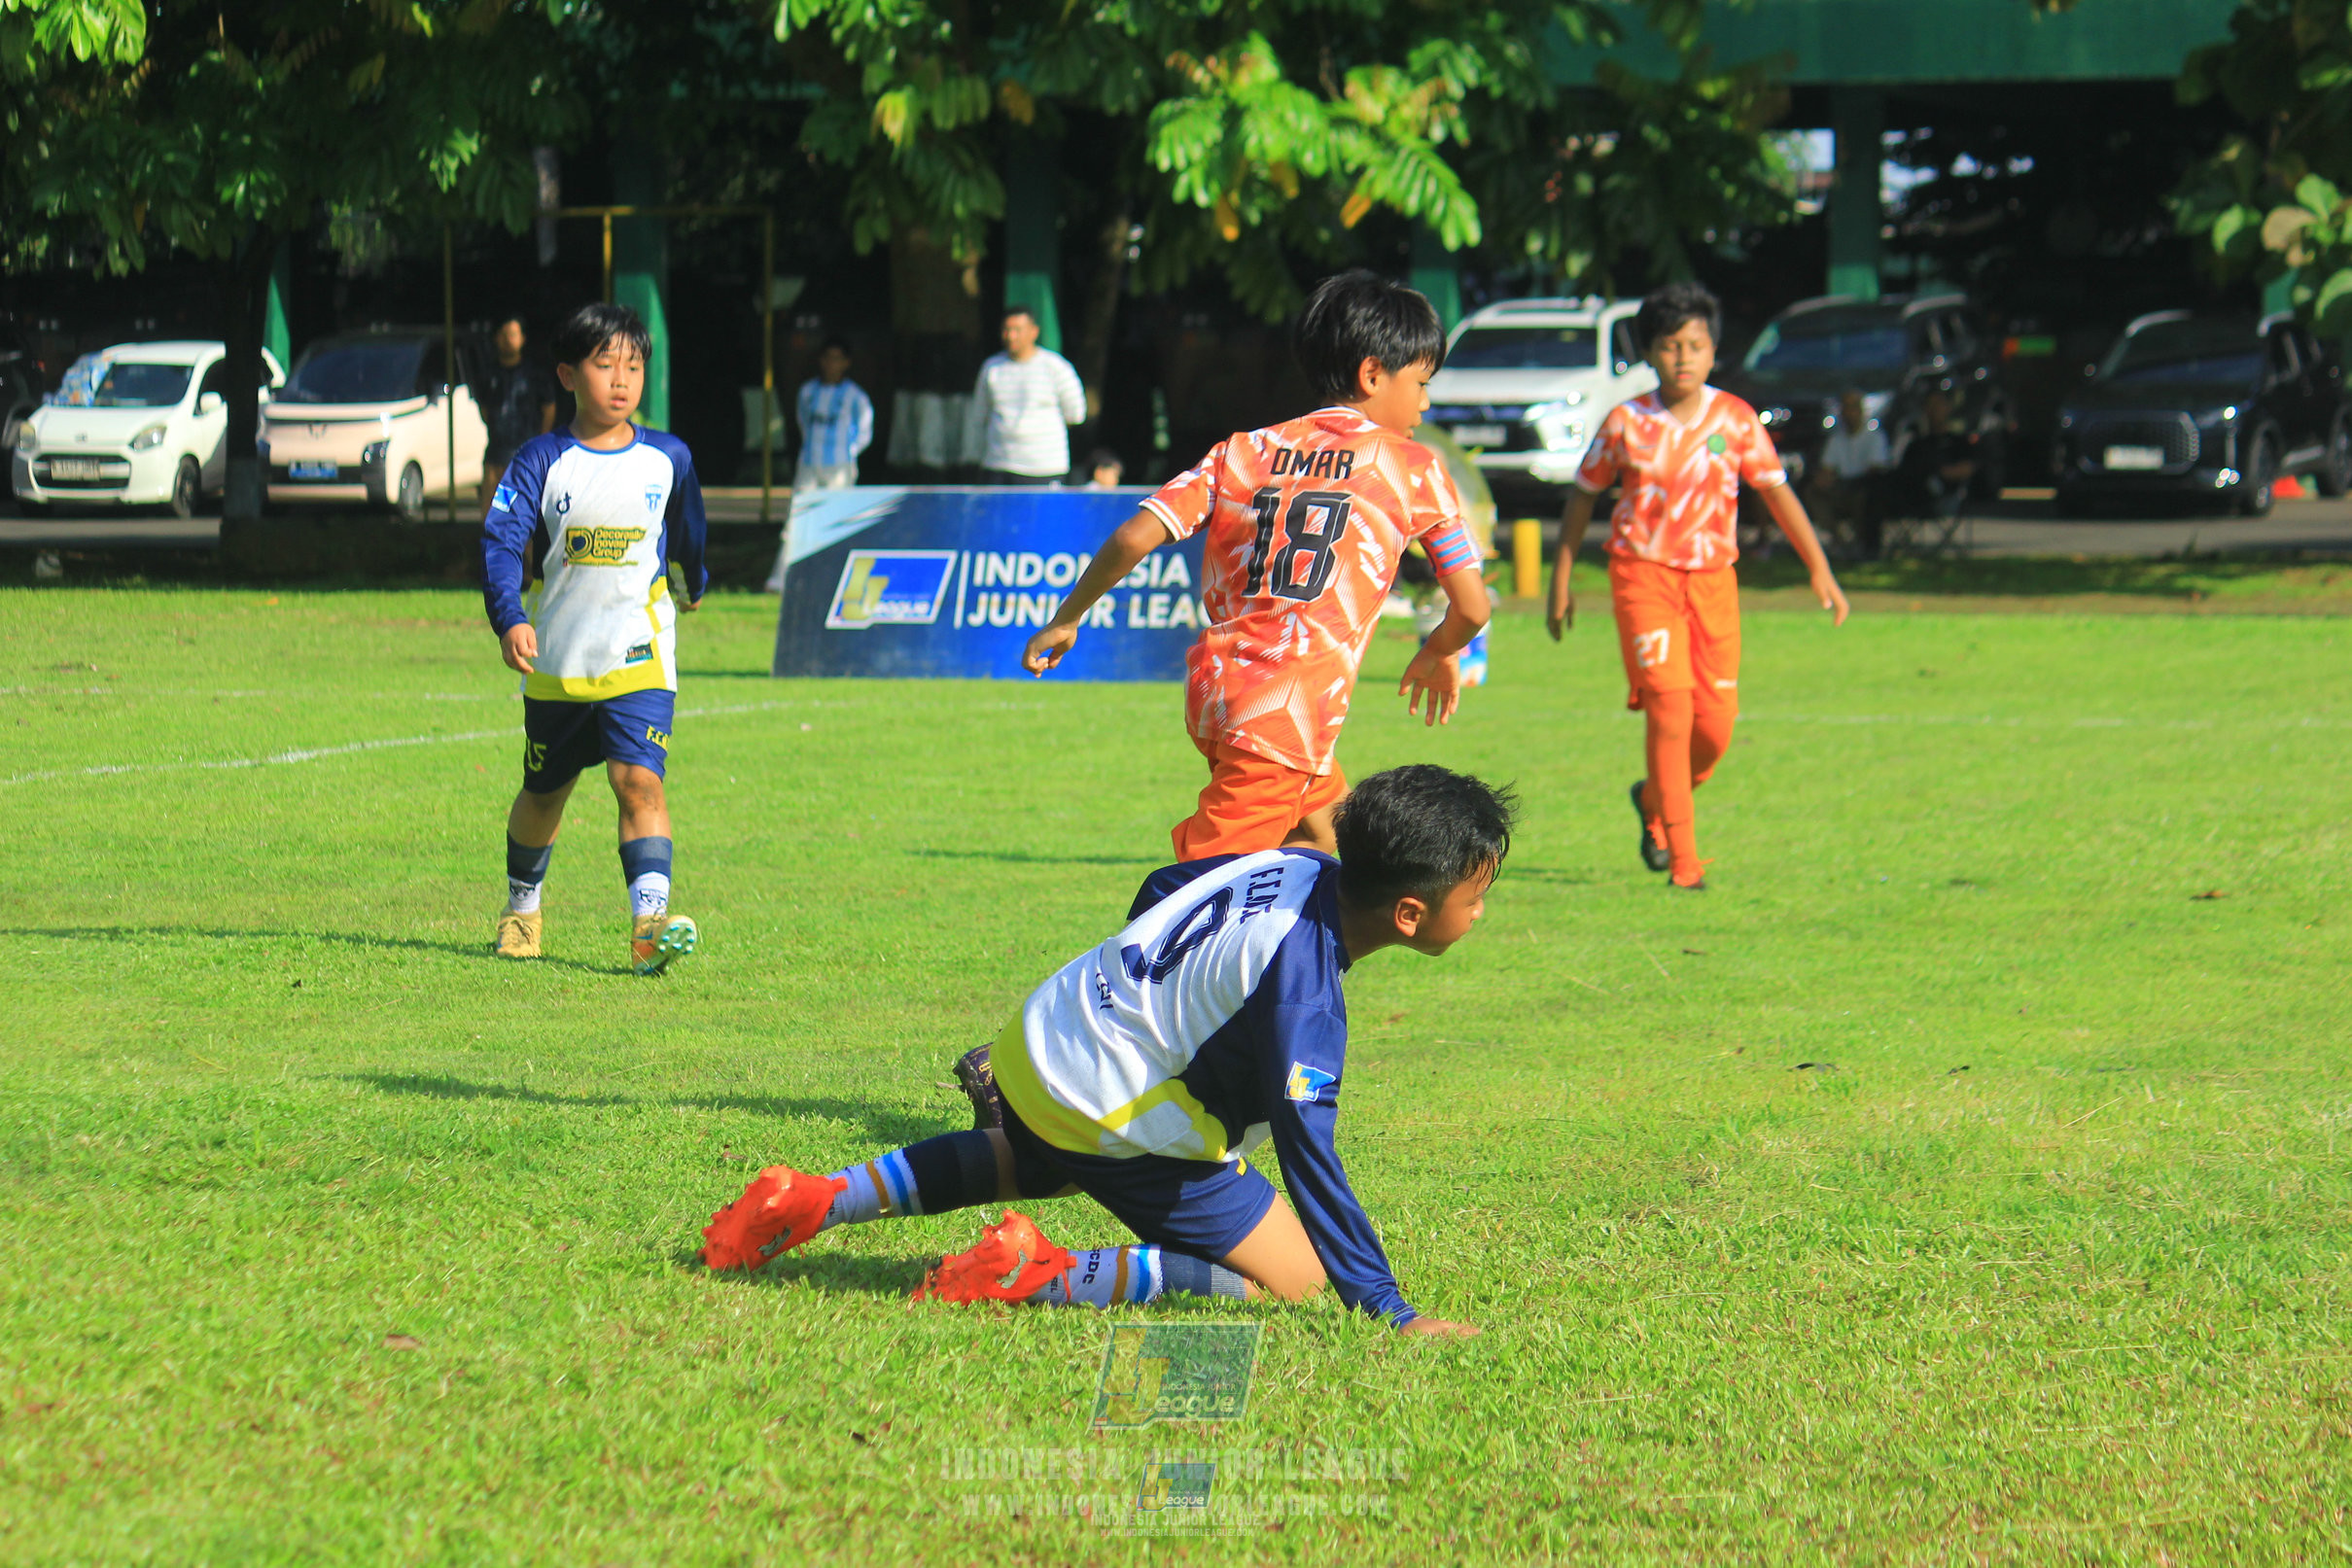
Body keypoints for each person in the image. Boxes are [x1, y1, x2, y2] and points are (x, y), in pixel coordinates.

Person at [700, 764, 1508, 1338]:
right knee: (1297, 1285)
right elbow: (1308, 1150)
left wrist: (1124, 1004)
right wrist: (1388, 1308)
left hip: (1036, 1039)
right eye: (1475, 898)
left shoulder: (1294, 859)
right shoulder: (1305, 991)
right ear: (1408, 913)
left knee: (1044, 1160)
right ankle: (1040, 1273)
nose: (1479, 912)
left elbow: (1165, 886)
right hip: (1101, 1101)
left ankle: (817, 1197)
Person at [1019, 270, 1491, 863]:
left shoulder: (1244, 449)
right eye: (1421, 382)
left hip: (1216, 693)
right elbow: (1472, 606)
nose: (1425, 401)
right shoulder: (1414, 467)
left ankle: (1304, 954)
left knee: (1340, 864)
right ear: (1373, 374)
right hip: (1285, 716)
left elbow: (1135, 534)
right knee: (1194, 900)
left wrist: (1068, 617)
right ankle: (1144, 958)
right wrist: (1440, 649)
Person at [1545, 281, 1849, 891]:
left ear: (1713, 352)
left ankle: (1654, 797)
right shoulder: (1626, 422)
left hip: (1714, 583)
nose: (1683, 356)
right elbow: (1583, 497)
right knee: (1671, 712)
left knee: (1716, 726)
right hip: (1643, 578)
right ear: (1650, 353)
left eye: (1695, 345)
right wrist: (1561, 579)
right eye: (1669, 345)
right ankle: (1682, 858)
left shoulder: (1735, 419)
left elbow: (1776, 491)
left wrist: (1819, 566)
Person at [481, 301, 708, 973]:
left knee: (638, 780)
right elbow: (501, 540)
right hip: (558, 657)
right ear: (567, 374)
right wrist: (510, 616)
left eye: (633, 365)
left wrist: (694, 580)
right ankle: (522, 908)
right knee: (544, 793)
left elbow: (691, 532)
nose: (621, 379)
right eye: (604, 364)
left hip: (640, 652)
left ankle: (649, 926)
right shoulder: (541, 459)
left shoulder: (669, 456)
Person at [965, 306, 1086, 483]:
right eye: (1006, 330)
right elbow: (980, 415)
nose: (1011, 336)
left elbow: (1075, 415)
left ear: (1033, 332)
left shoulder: (1056, 367)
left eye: (1018, 330)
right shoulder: (991, 368)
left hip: (1045, 469)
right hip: (998, 466)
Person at [476, 316, 558, 509]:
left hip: (526, 457)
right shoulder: (489, 374)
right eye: (503, 335)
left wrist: (540, 443)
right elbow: (484, 409)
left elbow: (549, 408)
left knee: (523, 520)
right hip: (496, 456)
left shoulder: (534, 374)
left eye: (513, 334)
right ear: (496, 338)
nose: (508, 340)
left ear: (522, 338)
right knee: (494, 520)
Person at [1808, 389, 1891, 558]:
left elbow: (1875, 469)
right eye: (1845, 407)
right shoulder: (1836, 439)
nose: (1849, 412)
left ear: (1861, 410)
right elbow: (1827, 470)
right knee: (1812, 492)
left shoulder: (1875, 437)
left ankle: (1863, 544)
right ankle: (1839, 540)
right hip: (1840, 487)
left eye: (1853, 407)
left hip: (1863, 488)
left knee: (1866, 494)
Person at [793, 338, 873, 492]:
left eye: (836, 359)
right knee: (804, 509)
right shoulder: (807, 391)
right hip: (809, 462)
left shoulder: (855, 395)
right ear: (821, 360)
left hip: (840, 464)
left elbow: (865, 429)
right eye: (827, 358)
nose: (831, 364)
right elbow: (802, 420)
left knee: (836, 510)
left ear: (846, 363)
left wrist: (850, 451)